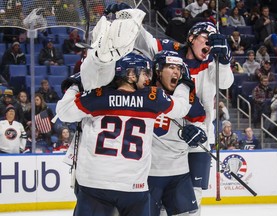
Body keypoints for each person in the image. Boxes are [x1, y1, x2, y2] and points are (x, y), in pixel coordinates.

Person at [56, 52, 198, 216]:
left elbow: (64, 112)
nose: (148, 78)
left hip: (94, 184)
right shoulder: (153, 98)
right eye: (144, 72)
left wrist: (76, 85)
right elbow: (181, 108)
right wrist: (184, 84)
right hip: (133, 185)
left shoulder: (98, 96)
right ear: (130, 74)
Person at [132, 18, 234, 216]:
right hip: (165, 138)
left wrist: (225, 61)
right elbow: (146, 40)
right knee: (161, 194)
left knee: (194, 197)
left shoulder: (213, 63)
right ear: (191, 38)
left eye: (213, 40)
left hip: (199, 135)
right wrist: (130, 18)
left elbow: (226, 83)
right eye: (206, 38)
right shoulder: (171, 54)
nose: (209, 44)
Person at [148, 50, 207, 216]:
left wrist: (197, 134)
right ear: (158, 70)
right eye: (171, 67)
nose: (176, 72)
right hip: (147, 172)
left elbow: (200, 127)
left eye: (179, 68)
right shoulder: (142, 94)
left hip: (178, 172)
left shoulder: (189, 99)